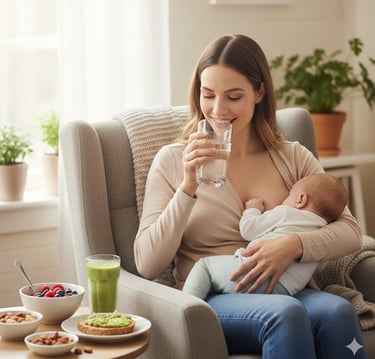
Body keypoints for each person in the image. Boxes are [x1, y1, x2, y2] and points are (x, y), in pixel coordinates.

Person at [134, 34, 365, 358]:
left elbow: (351, 232)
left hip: (286, 288)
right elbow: (147, 262)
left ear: (259, 93)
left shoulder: (293, 157)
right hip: (215, 293)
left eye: (233, 96)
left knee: (337, 311)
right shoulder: (173, 161)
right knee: (284, 314)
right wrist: (188, 186)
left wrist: (293, 246)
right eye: (208, 94)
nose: (217, 109)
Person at [182, 174, 348, 299]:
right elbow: (320, 266)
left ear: (301, 199)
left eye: (289, 195)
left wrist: (253, 209)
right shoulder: (323, 234)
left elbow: (248, 229)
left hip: (252, 273)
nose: (286, 199)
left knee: (204, 266)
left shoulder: (286, 213)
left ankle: (188, 310)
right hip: (287, 290)